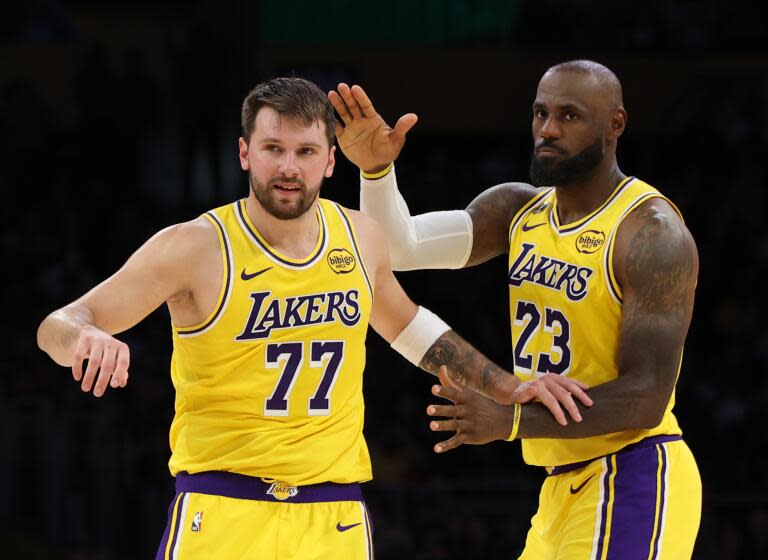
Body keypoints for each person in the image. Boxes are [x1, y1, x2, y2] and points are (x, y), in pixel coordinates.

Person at [36, 77, 590, 559]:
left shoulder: (358, 235)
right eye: (273, 148)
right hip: (223, 507)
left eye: (305, 151)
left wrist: (507, 386)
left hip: (334, 515)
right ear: (244, 153)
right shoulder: (194, 246)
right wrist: (84, 336)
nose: (288, 167)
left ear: (330, 158)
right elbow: (58, 323)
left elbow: (414, 329)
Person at [330, 59, 701, 559]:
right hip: (557, 488)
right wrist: (376, 172)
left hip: (632, 473)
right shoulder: (517, 209)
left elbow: (648, 394)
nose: (547, 130)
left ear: (616, 124)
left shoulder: (651, 232)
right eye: (540, 113)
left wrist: (511, 421)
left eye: (569, 116)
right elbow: (399, 248)